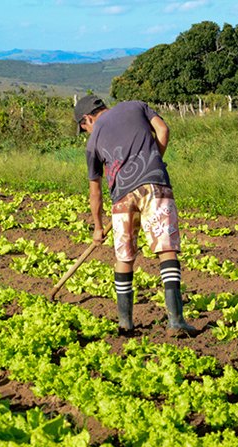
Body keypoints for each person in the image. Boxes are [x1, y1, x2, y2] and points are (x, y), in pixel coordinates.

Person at [74, 94, 196, 335]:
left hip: (121, 196)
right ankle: (176, 320)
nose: (87, 132)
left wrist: (97, 227)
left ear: (87, 119)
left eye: (83, 128)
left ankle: (125, 323)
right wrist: (154, 161)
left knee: (125, 255)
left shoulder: (92, 143)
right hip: (154, 184)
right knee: (166, 247)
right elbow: (163, 130)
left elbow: (95, 191)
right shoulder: (135, 106)